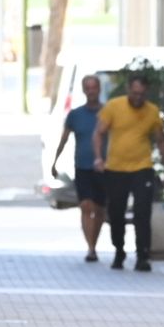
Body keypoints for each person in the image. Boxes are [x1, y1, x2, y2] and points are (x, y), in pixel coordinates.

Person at [91, 75, 164, 272]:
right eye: (135, 93)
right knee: (116, 213)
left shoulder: (152, 111)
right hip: (115, 169)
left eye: (142, 94)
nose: (138, 98)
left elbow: (161, 141)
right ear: (128, 89)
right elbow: (99, 133)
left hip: (142, 168)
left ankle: (143, 256)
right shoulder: (113, 106)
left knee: (142, 213)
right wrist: (98, 158)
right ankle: (119, 251)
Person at [50, 74, 107, 262]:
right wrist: (55, 162)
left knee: (99, 209)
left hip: (103, 168)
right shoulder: (75, 115)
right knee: (85, 205)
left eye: (94, 87)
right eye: (87, 88)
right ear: (84, 90)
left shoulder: (108, 113)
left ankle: (94, 242)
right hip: (82, 166)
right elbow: (64, 139)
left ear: (99, 89)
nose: (91, 91)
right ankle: (91, 248)